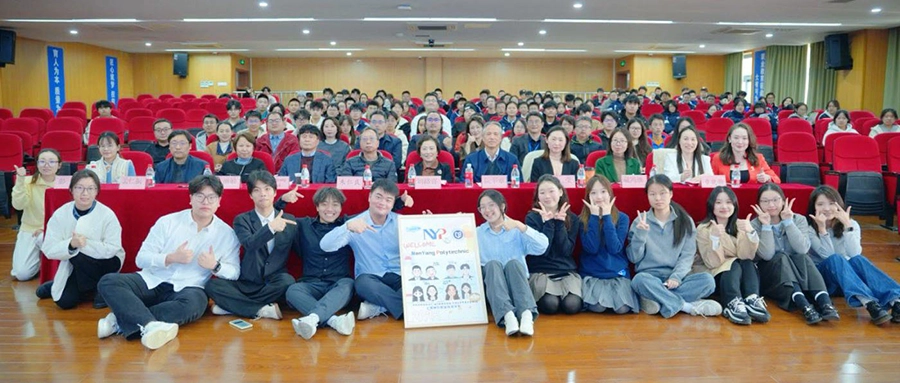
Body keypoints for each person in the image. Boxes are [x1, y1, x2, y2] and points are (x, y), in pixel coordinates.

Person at [96, 175, 241, 349]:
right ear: (190, 199)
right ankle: (150, 325)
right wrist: (170, 258)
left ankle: (120, 320)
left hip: (189, 287)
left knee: (196, 305)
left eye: (211, 197)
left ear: (219, 201)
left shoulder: (227, 234)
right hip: (152, 280)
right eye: (200, 196)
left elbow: (234, 272)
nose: (205, 202)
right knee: (109, 281)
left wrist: (215, 266)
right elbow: (140, 258)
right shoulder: (168, 222)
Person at [627, 175, 721, 318]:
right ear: (647, 196)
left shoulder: (685, 221)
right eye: (652, 194)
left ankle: (657, 300)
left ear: (671, 194)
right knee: (638, 281)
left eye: (662, 193)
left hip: (676, 279)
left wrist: (676, 277)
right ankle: (686, 307)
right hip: (650, 277)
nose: (658, 198)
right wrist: (641, 234)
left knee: (708, 281)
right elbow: (634, 258)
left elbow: (687, 256)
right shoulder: (640, 221)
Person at [206, 171, 296, 321]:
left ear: (275, 193)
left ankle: (234, 307)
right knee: (212, 285)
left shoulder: (289, 221)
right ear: (250, 195)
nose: (263, 194)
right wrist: (271, 228)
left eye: (267, 189)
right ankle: (260, 309)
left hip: (273, 283)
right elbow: (249, 243)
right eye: (257, 190)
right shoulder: (242, 220)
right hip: (247, 282)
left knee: (288, 282)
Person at [805, 185, 900, 325]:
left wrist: (847, 226)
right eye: (820, 204)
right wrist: (822, 230)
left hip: (849, 281)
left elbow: (854, 253)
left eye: (831, 203)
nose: (827, 208)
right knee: (836, 258)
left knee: (858, 260)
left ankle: (896, 302)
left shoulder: (852, 224)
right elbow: (828, 256)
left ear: (839, 204)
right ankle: (869, 303)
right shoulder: (809, 228)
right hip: (825, 280)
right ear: (813, 207)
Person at [750, 183, 839, 325]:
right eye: (765, 201)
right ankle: (804, 305)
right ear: (759, 204)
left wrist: (788, 222)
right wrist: (766, 226)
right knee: (780, 257)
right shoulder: (755, 224)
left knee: (803, 257)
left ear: (783, 201)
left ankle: (825, 303)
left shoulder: (798, 219)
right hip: (771, 275)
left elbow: (802, 249)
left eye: (775, 200)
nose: (771, 205)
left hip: (797, 271)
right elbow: (767, 255)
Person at [37, 170, 123, 309]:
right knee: (65, 302)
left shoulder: (107, 214)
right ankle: (84, 287)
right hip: (76, 264)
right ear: (71, 190)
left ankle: (100, 289)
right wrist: (71, 245)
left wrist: (85, 245)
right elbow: (48, 248)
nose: (85, 193)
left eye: (90, 188)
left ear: (97, 191)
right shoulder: (60, 214)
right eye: (79, 188)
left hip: (105, 262)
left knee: (80, 255)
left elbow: (113, 248)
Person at [320, 179, 405, 321]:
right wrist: (346, 227)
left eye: (388, 200)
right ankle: (405, 308)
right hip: (371, 278)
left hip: (399, 274)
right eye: (378, 197)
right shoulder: (355, 223)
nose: (382, 203)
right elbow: (326, 246)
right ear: (369, 197)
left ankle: (380, 307)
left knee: (413, 286)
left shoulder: (401, 222)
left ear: (392, 204)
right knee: (362, 284)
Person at [476, 190, 549, 336]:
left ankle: (527, 316)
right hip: (494, 289)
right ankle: (508, 316)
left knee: (514, 264)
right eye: (482, 207)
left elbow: (542, 246)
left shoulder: (516, 229)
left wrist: (520, 226)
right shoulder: (477, 232)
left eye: (491, 205)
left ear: (502, 206)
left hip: (518, 285)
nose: (487, 210)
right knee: (492, 265)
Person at [693, 186, 770, 325]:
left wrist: (750, 232)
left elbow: (746, 255)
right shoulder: (703, 229)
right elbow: (712, 263)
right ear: (712, 206)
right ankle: (731, 302)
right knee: (734, 264)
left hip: (738, 274)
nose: (724, 206)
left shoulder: (740, 225)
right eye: (718, 202)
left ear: (734, 205)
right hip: (715, 275)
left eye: (729, 202)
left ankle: (752, 298)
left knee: (746, 262)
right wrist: (715, 238)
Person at [579, 175, 637, 314]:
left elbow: (614, 248)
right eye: (593, 193)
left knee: (622, 309)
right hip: (593, 272)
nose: (599, 196)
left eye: (603, 191)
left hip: (616, 271)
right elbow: (591, 248)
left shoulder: (622, 218)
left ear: (610, 194)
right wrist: (593, 217)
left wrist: (606, 217)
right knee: (598, 307)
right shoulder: (582, 219)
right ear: (588, 197)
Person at [525, 175, 582, 315]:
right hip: (541, 270)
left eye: (551, 191)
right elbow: (542, 252)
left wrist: (559, 223)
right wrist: (548, 223)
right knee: (551, 305)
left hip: (565, 270)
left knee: (571, 305)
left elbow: (566, 251)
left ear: (560, 192)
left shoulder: (572, 218)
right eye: (542, 192)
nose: (547, 196)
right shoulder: (532, 218)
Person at [11, 150, 62, 281]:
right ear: (37, 164)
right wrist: (20, 180)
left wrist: (46, 230)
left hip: (54, 232)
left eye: (51, 162)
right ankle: (40, 259)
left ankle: (45, 256)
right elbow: (18, 205)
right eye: (42, 161)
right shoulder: (27, 181)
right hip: (30, 230)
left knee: (43, 239)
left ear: (59, 165)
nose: (47, 165)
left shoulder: (65, 184)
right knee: (21, 274)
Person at [710, 123, 780, 184]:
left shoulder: (758, 158)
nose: (740, 142)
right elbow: (710, 181)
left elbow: (777, 180)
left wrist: (767, 178)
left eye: (744, 138)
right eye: (736, 138)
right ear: (729, 139)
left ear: (749, 140)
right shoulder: (718, 158)